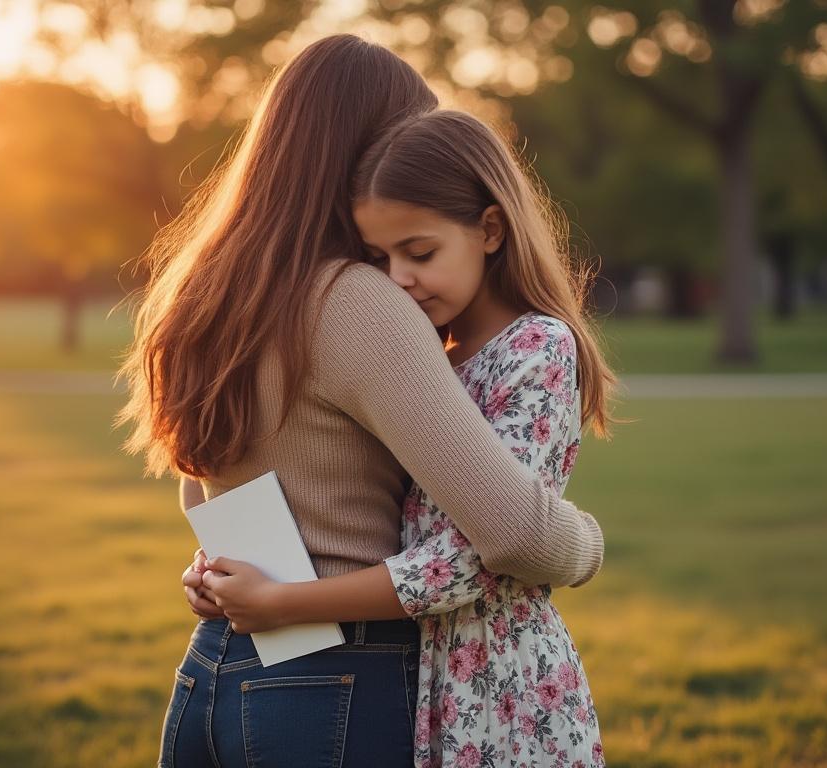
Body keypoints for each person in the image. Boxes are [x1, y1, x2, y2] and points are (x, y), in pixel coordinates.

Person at [118, 36, 605, 767]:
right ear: (363, 155)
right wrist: (589, 545)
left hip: (213, 673)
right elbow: (515, 534)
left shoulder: (212, 293)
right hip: (331, 679)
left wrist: (226, 574)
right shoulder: (356, 301)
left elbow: (201, 483)